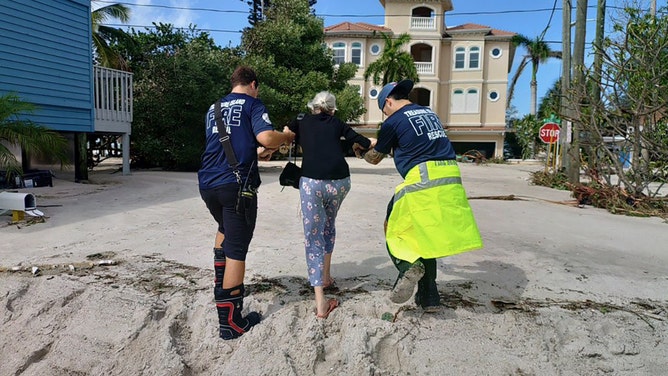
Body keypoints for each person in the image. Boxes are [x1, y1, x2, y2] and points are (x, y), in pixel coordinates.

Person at [359, 80, 483, 312]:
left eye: (383, 109)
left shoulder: (392, 121)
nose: (384, 114)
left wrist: (361, 151)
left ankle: (408, 266)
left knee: (392, 225)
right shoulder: (429, 113)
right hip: (450, 178)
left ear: (388, 102)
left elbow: (374, 158)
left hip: (423, 179)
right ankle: (429, 297)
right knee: (425, 234)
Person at [198, 66, 295, 339]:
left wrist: (259, 152)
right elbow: (265, 136)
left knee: (224, 228)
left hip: (208, 183)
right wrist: (285, 137)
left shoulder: (213, 108)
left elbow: (228, 142)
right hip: (237, 186)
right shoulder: (253, 103)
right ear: (253, 84)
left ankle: (221, 286)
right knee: (237, 251)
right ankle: (231, 322)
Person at [287, 91, 375, 319]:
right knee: (328, 225)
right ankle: (325, 277)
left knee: (313, 235)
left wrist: (264, 149)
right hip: (340, 183)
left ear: (312, 107)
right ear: (333, 109)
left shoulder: (300, 121)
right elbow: (363, 142)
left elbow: (284, 136)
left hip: (312, 184)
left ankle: (321, 304)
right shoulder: (337, 123)